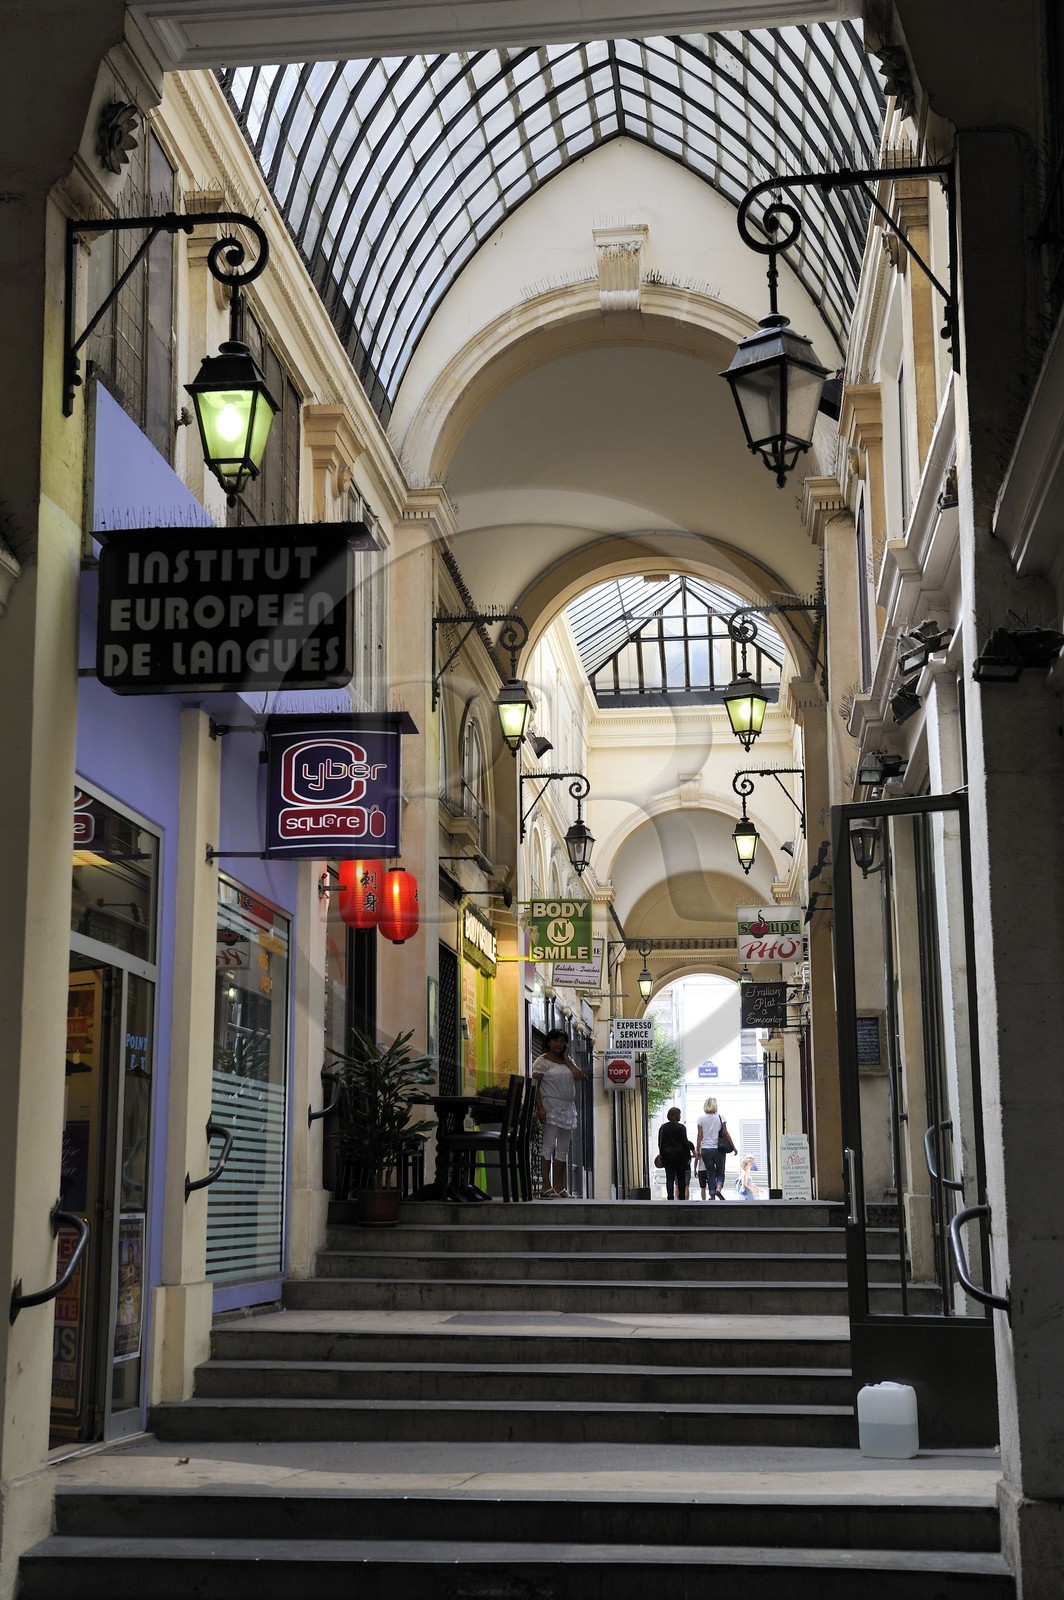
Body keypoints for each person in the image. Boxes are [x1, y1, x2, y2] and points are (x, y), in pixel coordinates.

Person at [531, 1028, 581, 1198]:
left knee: (563, 1148)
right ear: (548, 1042)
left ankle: (559, 1186)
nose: (559, 1044)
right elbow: (535, 1086)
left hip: (567, 1108)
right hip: (550, 1105)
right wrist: (540, 1108)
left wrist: (567, 1059)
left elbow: (578, 1076)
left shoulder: (567, 1061)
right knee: (548, 1145)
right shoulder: (542, 1061)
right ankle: (545, 1185)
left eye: (562, 1041)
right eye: (555, 1040)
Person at [657, 1107, 694, 1200]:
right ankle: (681, 1197)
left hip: (667, 1156)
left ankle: (670, 1196)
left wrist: (662, 1154)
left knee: (669, 1178)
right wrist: (688, 1156)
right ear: (676, 1115)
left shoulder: (663, 1127)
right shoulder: (681, 1127)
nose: (680, 1116)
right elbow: (685, 1143)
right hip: (680, 1156)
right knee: (681, 1177)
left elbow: (660, 1142)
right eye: (679, 1114)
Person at [695, 1096, 729, 1201]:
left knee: (710, 1173)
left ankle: (712, 1195)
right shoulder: (720, 1117)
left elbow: (699, 1135)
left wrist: (698, 1149)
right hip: (718, 1149)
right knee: (720, 1171)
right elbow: (726, 1133)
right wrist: (734, 1147)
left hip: (705, 1149)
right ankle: (718, 1188)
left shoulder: (701, 1118)